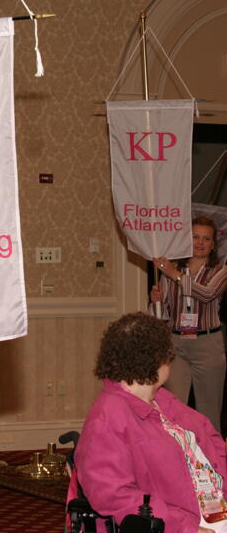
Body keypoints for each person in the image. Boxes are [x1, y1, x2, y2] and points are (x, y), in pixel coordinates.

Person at [75, 312, 227, 533]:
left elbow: (213, 447)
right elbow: (113, 496)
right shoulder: (107, 418)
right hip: (186, 522)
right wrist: (185, 528)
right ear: (157, 360)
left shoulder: (162, 401)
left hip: (213, 508)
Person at [150, 215, 227, 431]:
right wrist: (155, 299)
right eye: (195, 237)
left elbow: (207, 294)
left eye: (206, 239)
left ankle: (211, 461)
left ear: (213, 245)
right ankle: (177, 459)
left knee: (209, 410)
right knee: (173, 407)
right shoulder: (172, 270)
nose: (200, 243)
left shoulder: (221, 271)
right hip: (176, 344)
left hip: (208, 344)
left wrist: (173, 274)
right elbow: (162, 313)